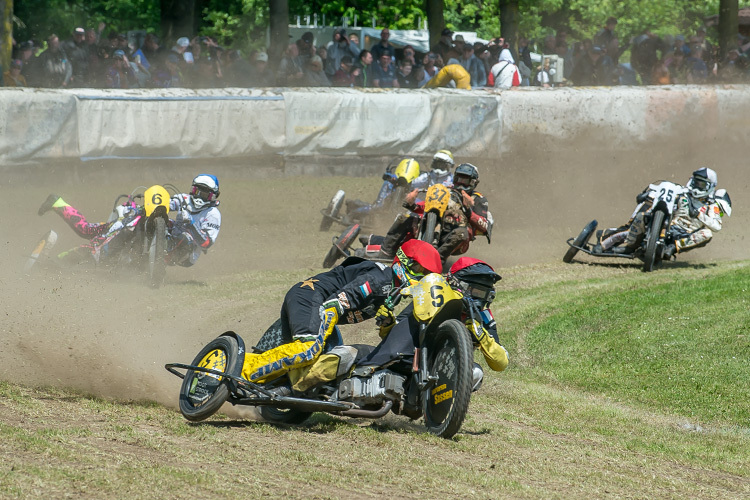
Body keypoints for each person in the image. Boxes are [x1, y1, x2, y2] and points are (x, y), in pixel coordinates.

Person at [240, 240, 443, 388]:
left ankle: (266, 386)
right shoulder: (381, 279)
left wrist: (388, 322)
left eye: (427, 275)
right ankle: (242, 371)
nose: (422, 278)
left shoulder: (391, 291)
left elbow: (389, 341)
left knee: (323, 366)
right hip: (310, 296)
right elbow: (334, 305)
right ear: (404, 262)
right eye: (420, 270)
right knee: (309, 349)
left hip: (316, 304)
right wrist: (317, 343)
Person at [358, 257, 508, 391]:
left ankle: (440, 408)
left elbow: (501, 362)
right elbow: (391, 335)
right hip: (407, 357)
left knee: (476, 373)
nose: (478, 298)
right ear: (456, 283)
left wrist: (481, 335)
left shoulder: (484, 317)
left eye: (483, 293)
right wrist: (388, 322)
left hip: (442, 367)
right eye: (474, 291)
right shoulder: (430, 296)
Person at [37, 174, 221, 268]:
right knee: (87, 231)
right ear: (192, 190)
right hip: (153, 233)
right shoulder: (184, 199)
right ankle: (58, 204)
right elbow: (165, 204)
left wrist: (189, 224)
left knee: (186, 240)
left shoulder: (212, 214)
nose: (199, 196)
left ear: (212, 196)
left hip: (183, 252)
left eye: (204, 193)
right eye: (197, 191)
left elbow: (206, 242)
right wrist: (143, 208)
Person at [597, 168, 727, 258]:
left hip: (686, 235)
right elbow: (665, 195)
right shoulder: (682, 192)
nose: (697, 186)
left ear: (710, 186)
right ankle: (622, 244)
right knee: (642, 216)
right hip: (669, 226)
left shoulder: (714, 205)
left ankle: (671, 248)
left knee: (707, 233)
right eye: (696, 182)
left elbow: (717, 226)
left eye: (701, 184)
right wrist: (648, 195)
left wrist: (698, 214)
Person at [378, 162, 492, 261]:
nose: (460, 184)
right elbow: (428, 207)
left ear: (473, 182)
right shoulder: (447, 190)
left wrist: (468, 211)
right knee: (404, 218)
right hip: (433, 228)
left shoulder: (478, 199)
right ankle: (386, 252)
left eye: (465, 181)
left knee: (462, 233)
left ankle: (438, 260)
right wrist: (412, 205)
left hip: (456, 237)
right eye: (458, 179)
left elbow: (484, 226)